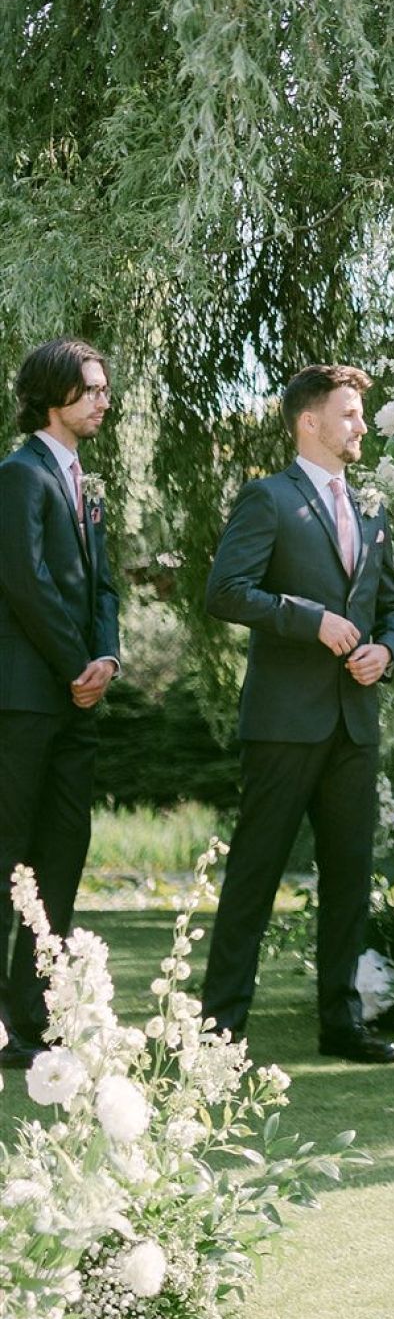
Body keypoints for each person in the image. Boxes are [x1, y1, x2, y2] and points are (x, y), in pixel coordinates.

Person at [200, 364, 394, 1062]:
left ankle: (342, 1026)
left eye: (361, 414)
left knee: (349, 878)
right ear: (310, 422)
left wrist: (386, 651)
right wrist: (309, 618)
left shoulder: (372, 507)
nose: (361, 425)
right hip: (284, 723)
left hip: (355, 721)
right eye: (349, 413)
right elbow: (226, 591)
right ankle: (219, 1032)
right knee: (255, 876)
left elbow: (393, 609)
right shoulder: (268, 498)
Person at [0, 339, 121, 1066]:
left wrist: (106, 659)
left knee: (62, 854)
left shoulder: (87, 486)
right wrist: (77, 663)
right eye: (92, 389)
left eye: (105, 388)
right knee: (7, 852)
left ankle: (37, 1017)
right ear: (53, 396)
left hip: (78, 701)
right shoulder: (18, 476)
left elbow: (103, 586)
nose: (104, 399)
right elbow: (25, 581)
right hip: (23, 699)